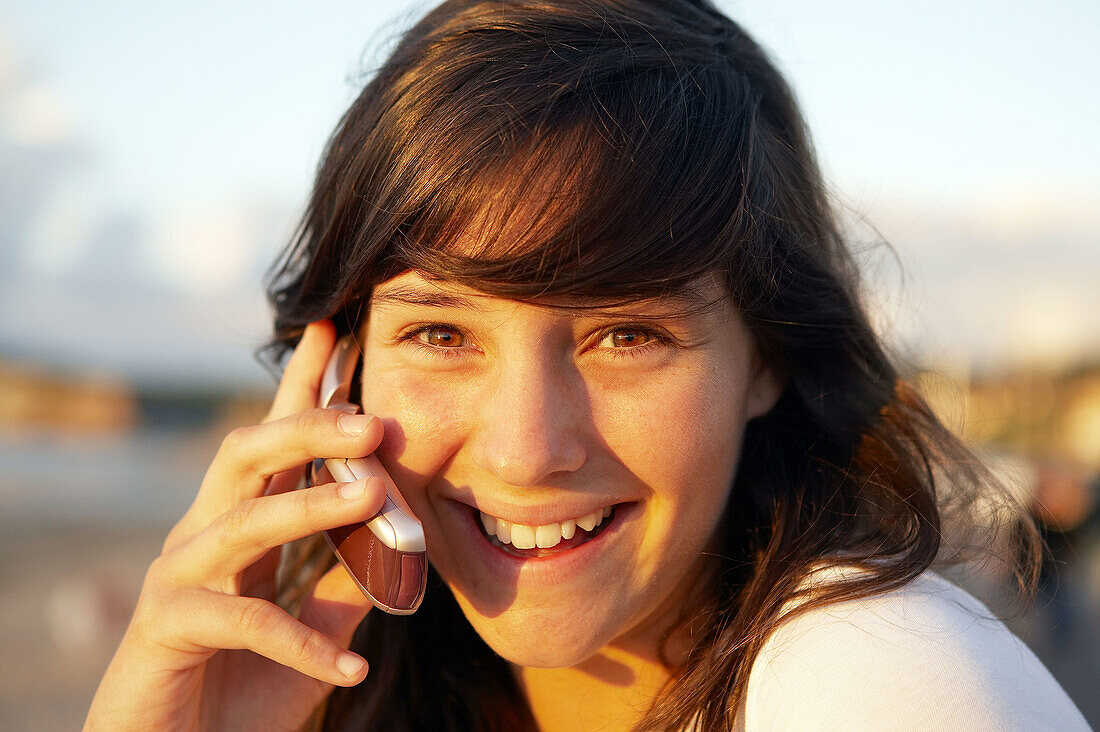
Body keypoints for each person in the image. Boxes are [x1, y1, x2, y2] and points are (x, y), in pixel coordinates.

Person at [85, 1, 1089, 730]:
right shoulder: (361, 685)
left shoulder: (881, 681)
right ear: (337, 372)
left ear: (767, 359)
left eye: (625, 335)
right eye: (439, 333)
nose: (525, 451)